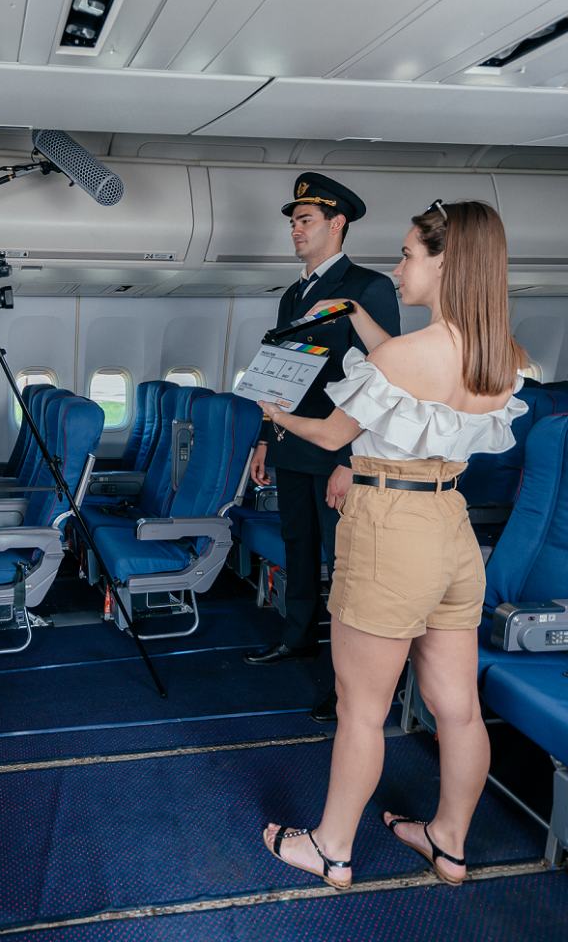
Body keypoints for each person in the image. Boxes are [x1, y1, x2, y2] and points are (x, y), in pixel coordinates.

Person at [258, 200, 526, 889]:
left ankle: (331, 849)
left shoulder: (404, 356)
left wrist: (275, 412)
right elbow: (405, 375)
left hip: (390, 532)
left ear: (446, 262)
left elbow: (333, 433)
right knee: (458, 708)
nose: (400, 267)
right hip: (451, 530)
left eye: (409, 254)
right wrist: (357, 314)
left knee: (362, 709)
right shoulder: (501, 356)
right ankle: (448, 843)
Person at [244, 174, 401, 726]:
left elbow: (380, 381)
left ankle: (349, 681)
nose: (295, 229)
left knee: (344, 565)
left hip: (337, 450)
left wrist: (349, 462)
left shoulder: (367, 287)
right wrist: (265, 440)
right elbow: (279, 375)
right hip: (292, 444)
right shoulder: (294, 295)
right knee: (298, 546)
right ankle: (298, 638)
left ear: (337, 224)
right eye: (293, 221)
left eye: (305, 220)